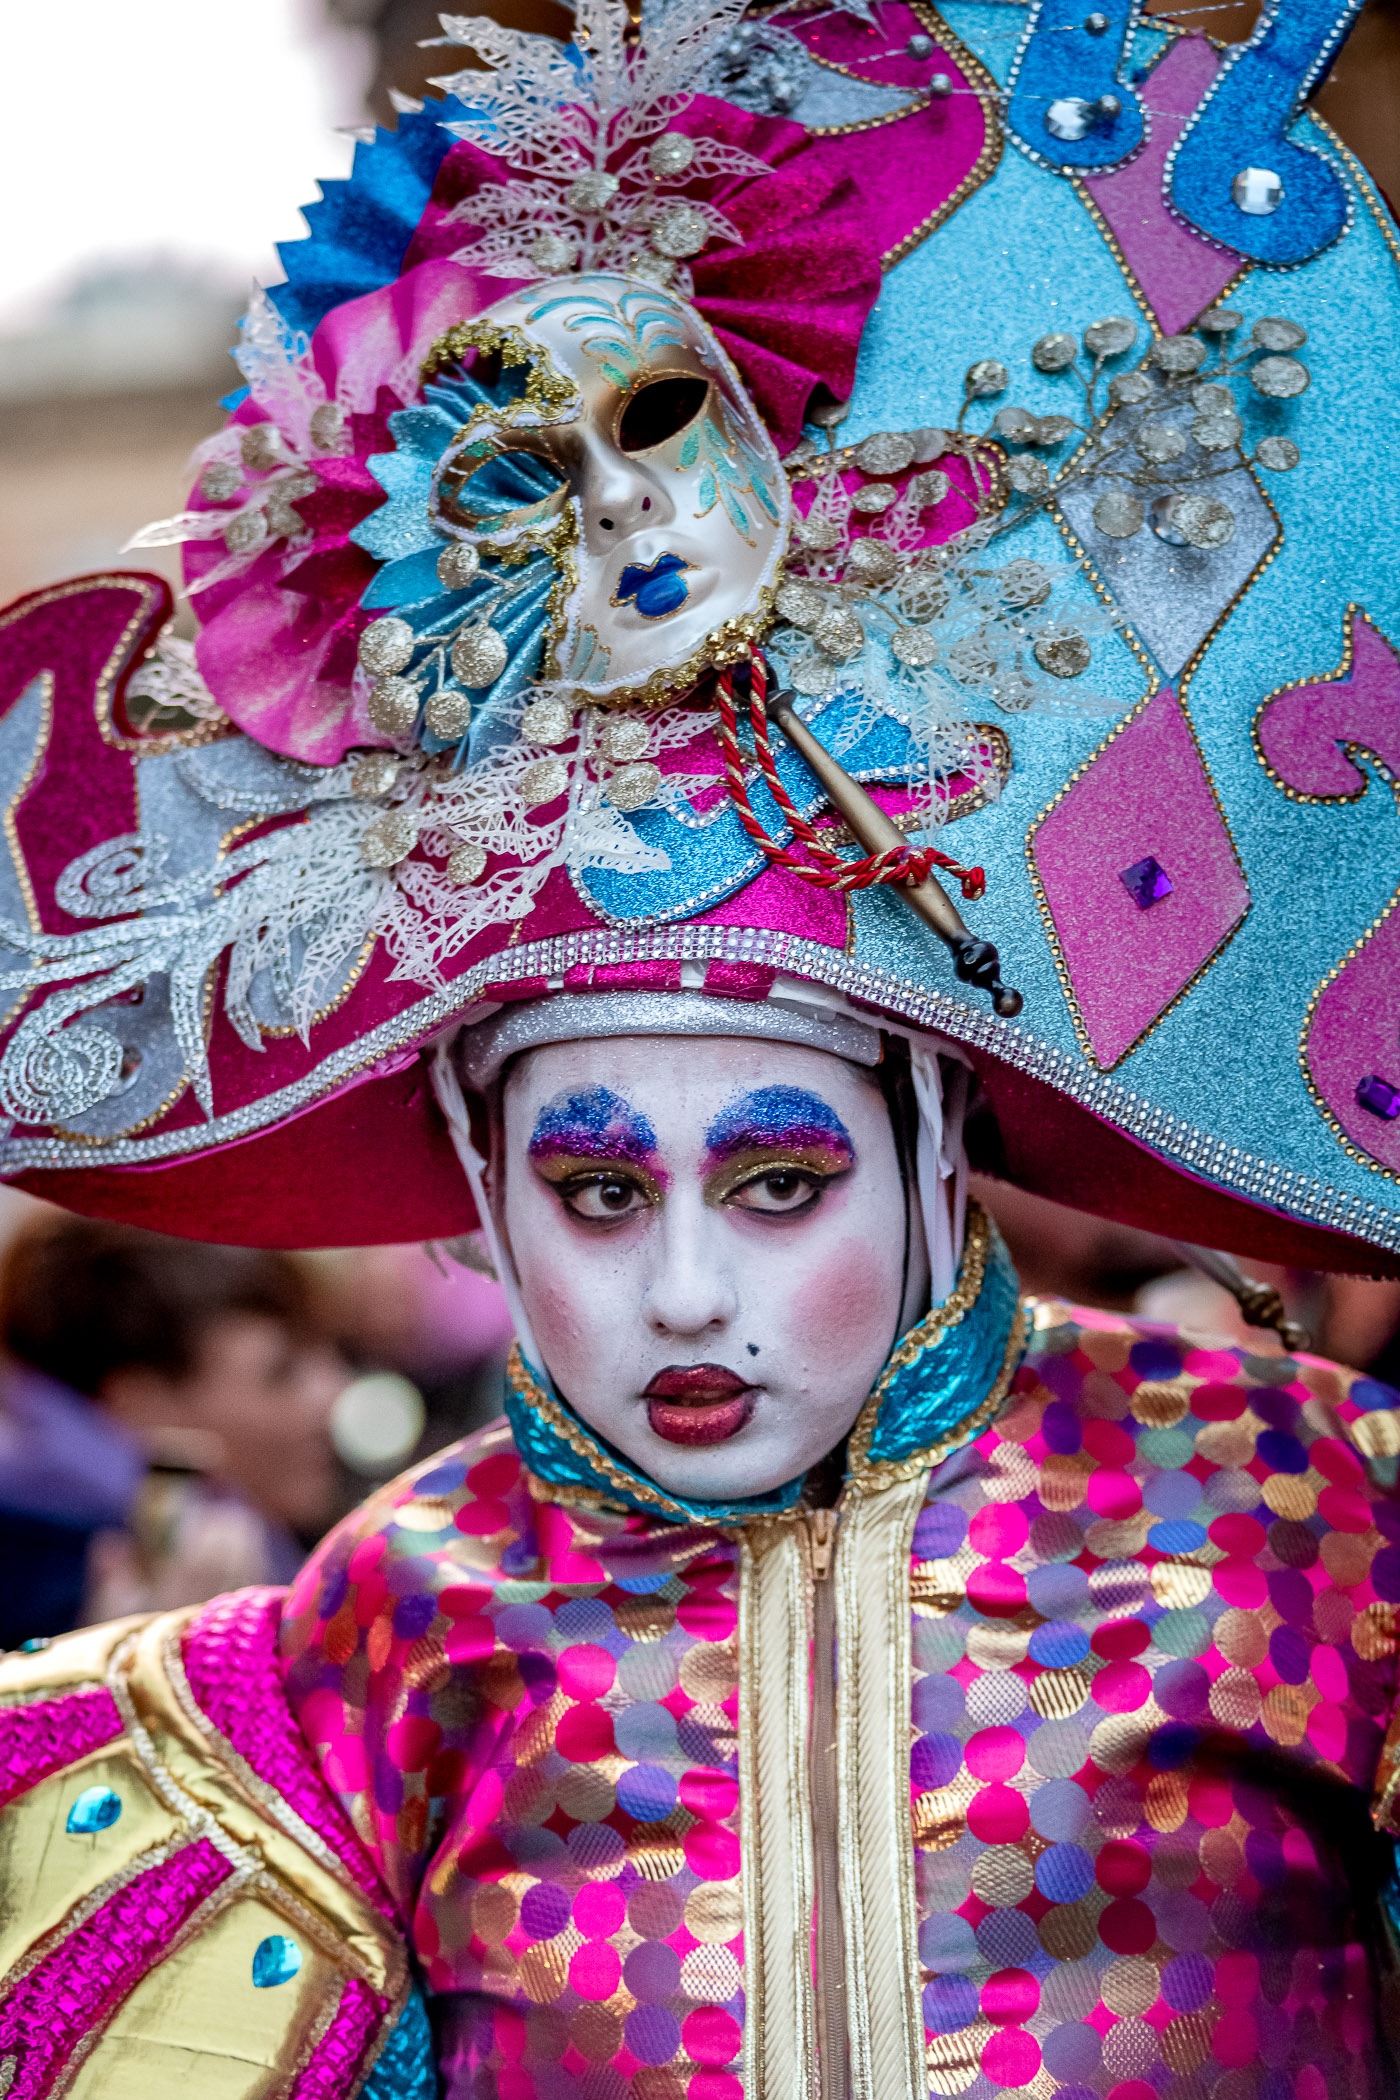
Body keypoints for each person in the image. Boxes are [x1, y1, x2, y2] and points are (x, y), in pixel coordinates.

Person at [1, 1, 1400, 2094]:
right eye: (588, 1187)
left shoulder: (1315, 1528)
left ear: (941, 1143)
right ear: (478, 1190)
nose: (679, 1290)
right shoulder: (365, 1644)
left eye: (775, 1179)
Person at [0, 1218, 344, 1635]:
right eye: (281, 1372)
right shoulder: (46, 1591)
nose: (334, 1392)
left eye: (329, 1352)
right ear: (143, 1407)